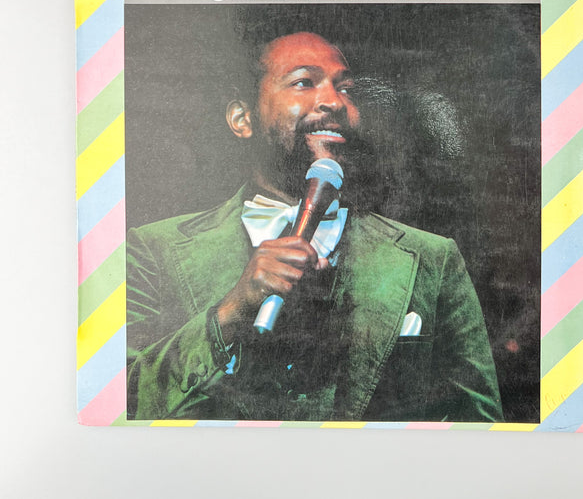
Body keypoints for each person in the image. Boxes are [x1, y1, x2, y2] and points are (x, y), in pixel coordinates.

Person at [126, 32, 503, 422]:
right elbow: (121, 404)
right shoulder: (152, 250)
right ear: (242, 118)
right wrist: (232, 310)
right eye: (304, 82)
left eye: (346, 89)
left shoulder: (432, 259)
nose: (335, 102)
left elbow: (478, 424)